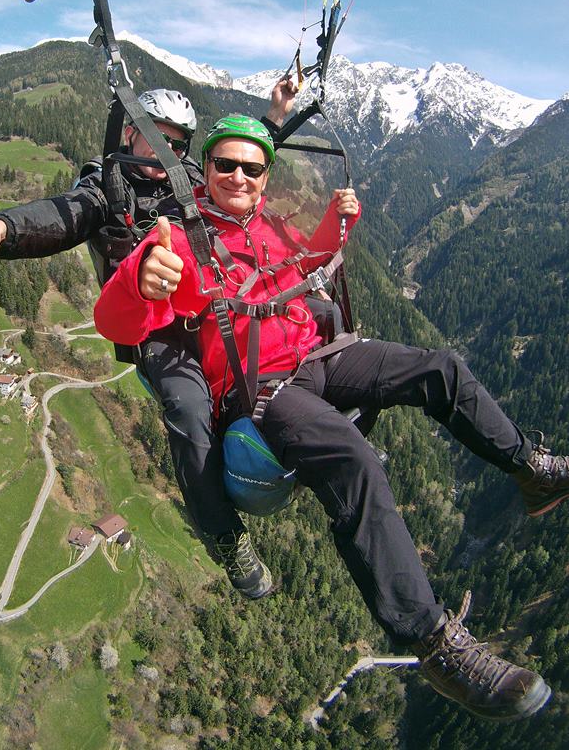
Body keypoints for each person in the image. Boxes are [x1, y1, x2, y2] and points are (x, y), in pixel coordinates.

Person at [93, 113, 569, 721]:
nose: (238, 176)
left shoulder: (266, 225)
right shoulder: (180, 241)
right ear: (204, 173)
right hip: (260, 387)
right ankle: (434, 642)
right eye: (225, 165)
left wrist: (336, 224)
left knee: (440, 368)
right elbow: (117, 325)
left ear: (265, 180)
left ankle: (530, 467)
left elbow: (304, 264)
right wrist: (141, 278)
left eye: (252, 168)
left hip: (318, 359)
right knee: (352, 456)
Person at [0, 86, 296, 600]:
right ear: (130, 135)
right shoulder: (105, 192)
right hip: (153, 329)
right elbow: (61, 216)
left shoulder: (188, 181)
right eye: (154, 142)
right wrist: (0, 229)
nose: (162, 156)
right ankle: (223, 535)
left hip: (204, 307)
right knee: (190, 406)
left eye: (174, 145)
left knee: (285, 352)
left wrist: (275, 119)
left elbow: (239, 173)